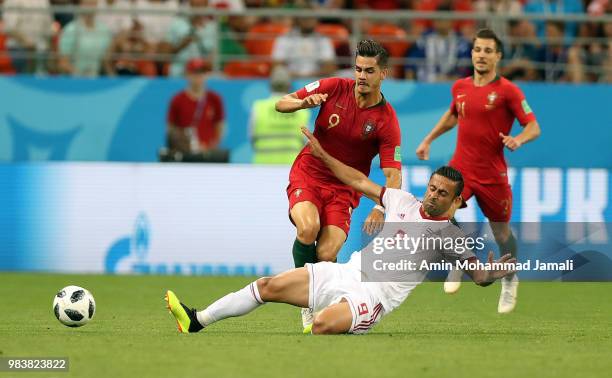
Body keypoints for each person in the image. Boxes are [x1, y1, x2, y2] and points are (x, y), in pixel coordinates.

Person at [164, 128, 516, 335]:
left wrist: (494, 273)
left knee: (319, 327)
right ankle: (197, 320)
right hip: (347, 271)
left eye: (443, 193)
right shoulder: (401, 200)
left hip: (373, 298)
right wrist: (322, 153)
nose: (435, 195)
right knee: (267, 286)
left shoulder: (451, 235)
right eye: (433, 188)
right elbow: (357, 180)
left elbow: (478, 274)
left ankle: (331, 318)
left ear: (456, 201)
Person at [274, 39, 402, 330]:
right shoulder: (333, 87)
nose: (361, 76)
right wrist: (301, 103)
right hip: (310, 172)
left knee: (328, 253)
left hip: (344, 189)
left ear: (383, 74)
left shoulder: (386, 121)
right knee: (308, 228)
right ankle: (307, 303)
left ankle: (326, 302)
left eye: (369, 71)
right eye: (358, 69)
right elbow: (282, 102)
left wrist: (381, 207)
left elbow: (393, 175)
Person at [415, 28, 541, 314]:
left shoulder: (508, 91)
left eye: (487, 51)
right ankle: (460, 264)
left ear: (497, 56)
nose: (481, 55)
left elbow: (534, 126)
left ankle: (510, 278)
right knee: (442, 214)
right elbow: (452, 116)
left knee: (502, 233)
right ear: (471, 53)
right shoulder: (459, 86)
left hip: (492, 174)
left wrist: (518, 139)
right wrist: (428, 139)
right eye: (477, 50)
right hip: (461, 168)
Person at [249, 66, 310, 164]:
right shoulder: (301, 109)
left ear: (270, 85)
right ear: (289, 86)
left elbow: (252, 138)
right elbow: (306, 142)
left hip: (262, 165)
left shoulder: (258, 107)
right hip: (292, 166)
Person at [166, 58, 225, 154]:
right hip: (184, 153)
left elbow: (220, 126)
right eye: (195, 72)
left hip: (207, 153)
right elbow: (171, 129)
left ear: (207, 75)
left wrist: (211, 147)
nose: (199, 76)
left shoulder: (215, 99)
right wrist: (184, 146)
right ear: (187, 74)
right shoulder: (177, 100)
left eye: (202, 72)